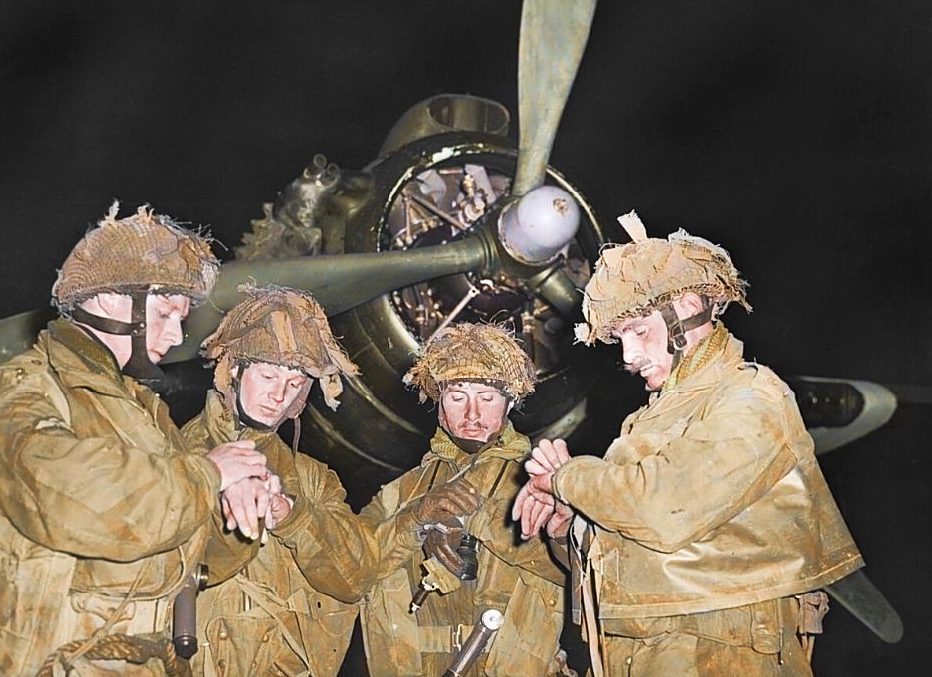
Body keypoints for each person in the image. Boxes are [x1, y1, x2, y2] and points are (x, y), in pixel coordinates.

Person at [514, 212, 865, 676]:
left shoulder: (752, 397)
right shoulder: (650, 421)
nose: (628, 356)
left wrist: (566, 478)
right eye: (620, 339)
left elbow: (663, 510)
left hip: (721, 651)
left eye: (639, 331)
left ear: (684, 310)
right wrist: (568, 524)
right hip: (650, 650)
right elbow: (621, 556)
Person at [0, 203, 271, 677]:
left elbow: (185, 554)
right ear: (109, 300)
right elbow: (72, 499)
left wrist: (240, 511)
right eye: (167, 310)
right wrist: (208, 474)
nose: (178, 332)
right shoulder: (26, 385)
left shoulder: (146, 413)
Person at [183, 284, 400, 676]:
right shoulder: (172, 454)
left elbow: (358, 578)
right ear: (234, 369)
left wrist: (293, 516)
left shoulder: (314, 481)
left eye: (295, 384)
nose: (279, 395)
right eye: (268, 376)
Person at [359, 322, 572, 677]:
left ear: (508, 404)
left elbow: (582, 573)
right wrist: (416, 520)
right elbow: (352, 568)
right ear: (440, 406)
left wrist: (480, 520)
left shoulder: (541, 483)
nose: (472, 415)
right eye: (458, 397)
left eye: (486, 398)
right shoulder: (403, 491)